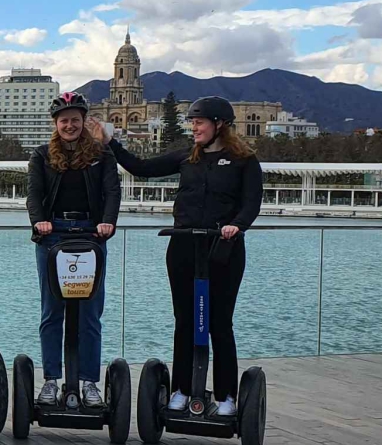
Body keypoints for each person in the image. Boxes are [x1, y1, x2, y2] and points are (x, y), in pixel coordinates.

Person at [94, 96, 262, 416]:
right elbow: (142, 169)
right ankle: (182, 390)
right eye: (192, 123)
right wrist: (110, 143)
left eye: (199, 123)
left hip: (223, 247)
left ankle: (226, 396)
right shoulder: (188, 156)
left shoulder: (244, 160)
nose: (194, 128)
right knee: (185, 321)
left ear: (219, 125)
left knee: (219, 323)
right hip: (184, 246)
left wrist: (237, 225)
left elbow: (252, 202)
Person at [26, 92, 120, 407]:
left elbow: (112, 191)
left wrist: (107, 223)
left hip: (91, 234)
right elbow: (34, 193)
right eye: (64, 120)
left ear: (83, 122)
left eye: (75, 120)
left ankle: (89, 382)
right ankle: (51, 380)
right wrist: (39, 221)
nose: (70, 125)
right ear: (56, 124)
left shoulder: (102, 154)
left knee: (90, 313)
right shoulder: (41, 155)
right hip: (52, 234)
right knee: (52, 311)